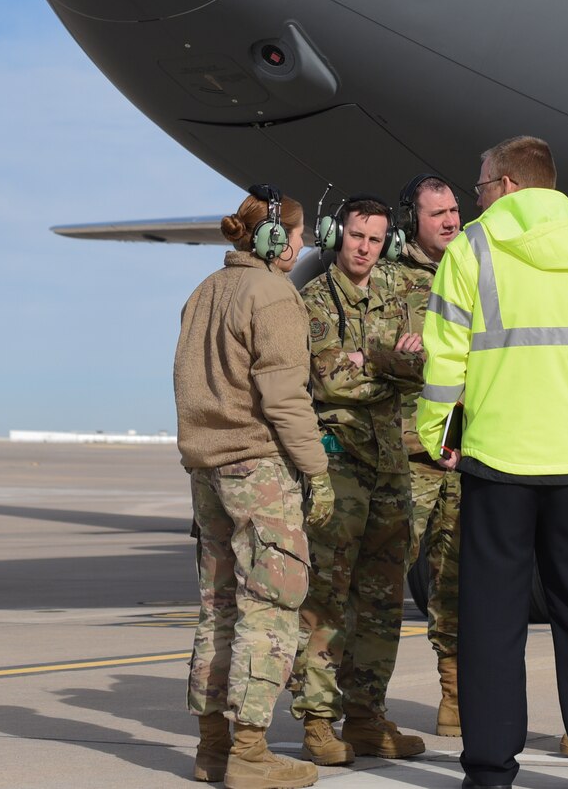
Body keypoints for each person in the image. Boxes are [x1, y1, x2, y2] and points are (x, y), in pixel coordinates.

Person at [417, 136, 568, 789]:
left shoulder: (471, 251)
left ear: (512, 183)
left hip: (496, 457)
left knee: (492, 618)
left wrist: (436, 432)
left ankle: (490, 771)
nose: (477, 195)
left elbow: (444, 359)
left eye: (483, 182)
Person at [175, 185, 335, 789]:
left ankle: (212, 749)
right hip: (259, 471)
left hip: (207, 473)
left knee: (217, 609)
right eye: (296, 236)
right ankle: (249, 752)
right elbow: (286, 399)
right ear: (275, 238)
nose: (301, 246)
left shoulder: (204, 293)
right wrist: (317, 472)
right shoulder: (271, 294)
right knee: (270, 609)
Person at [292, 196, 428, 766]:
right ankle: (318, 721)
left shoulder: (400, 291)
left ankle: (367, 715)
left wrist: (367, 360)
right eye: (355, 236)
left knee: (381, 598)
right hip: (339, 462)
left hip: (391, 463)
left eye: (374, 239)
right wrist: (387, 364)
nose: (364, 248)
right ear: (336, 235)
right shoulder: (314, 298)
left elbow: (427, 363)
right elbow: (328, 380)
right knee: (327, 595)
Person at [386, 174, 466, 735]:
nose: (450, 220)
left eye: (455, 209)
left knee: (460, 584)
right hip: (411, 457)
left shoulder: (475, 271)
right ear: (412, 219)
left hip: (466, 454)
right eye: (437, 213)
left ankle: (456, 701)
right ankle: (361, 706)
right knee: (381, 582)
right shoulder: (390, 282)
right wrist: (395, 354)